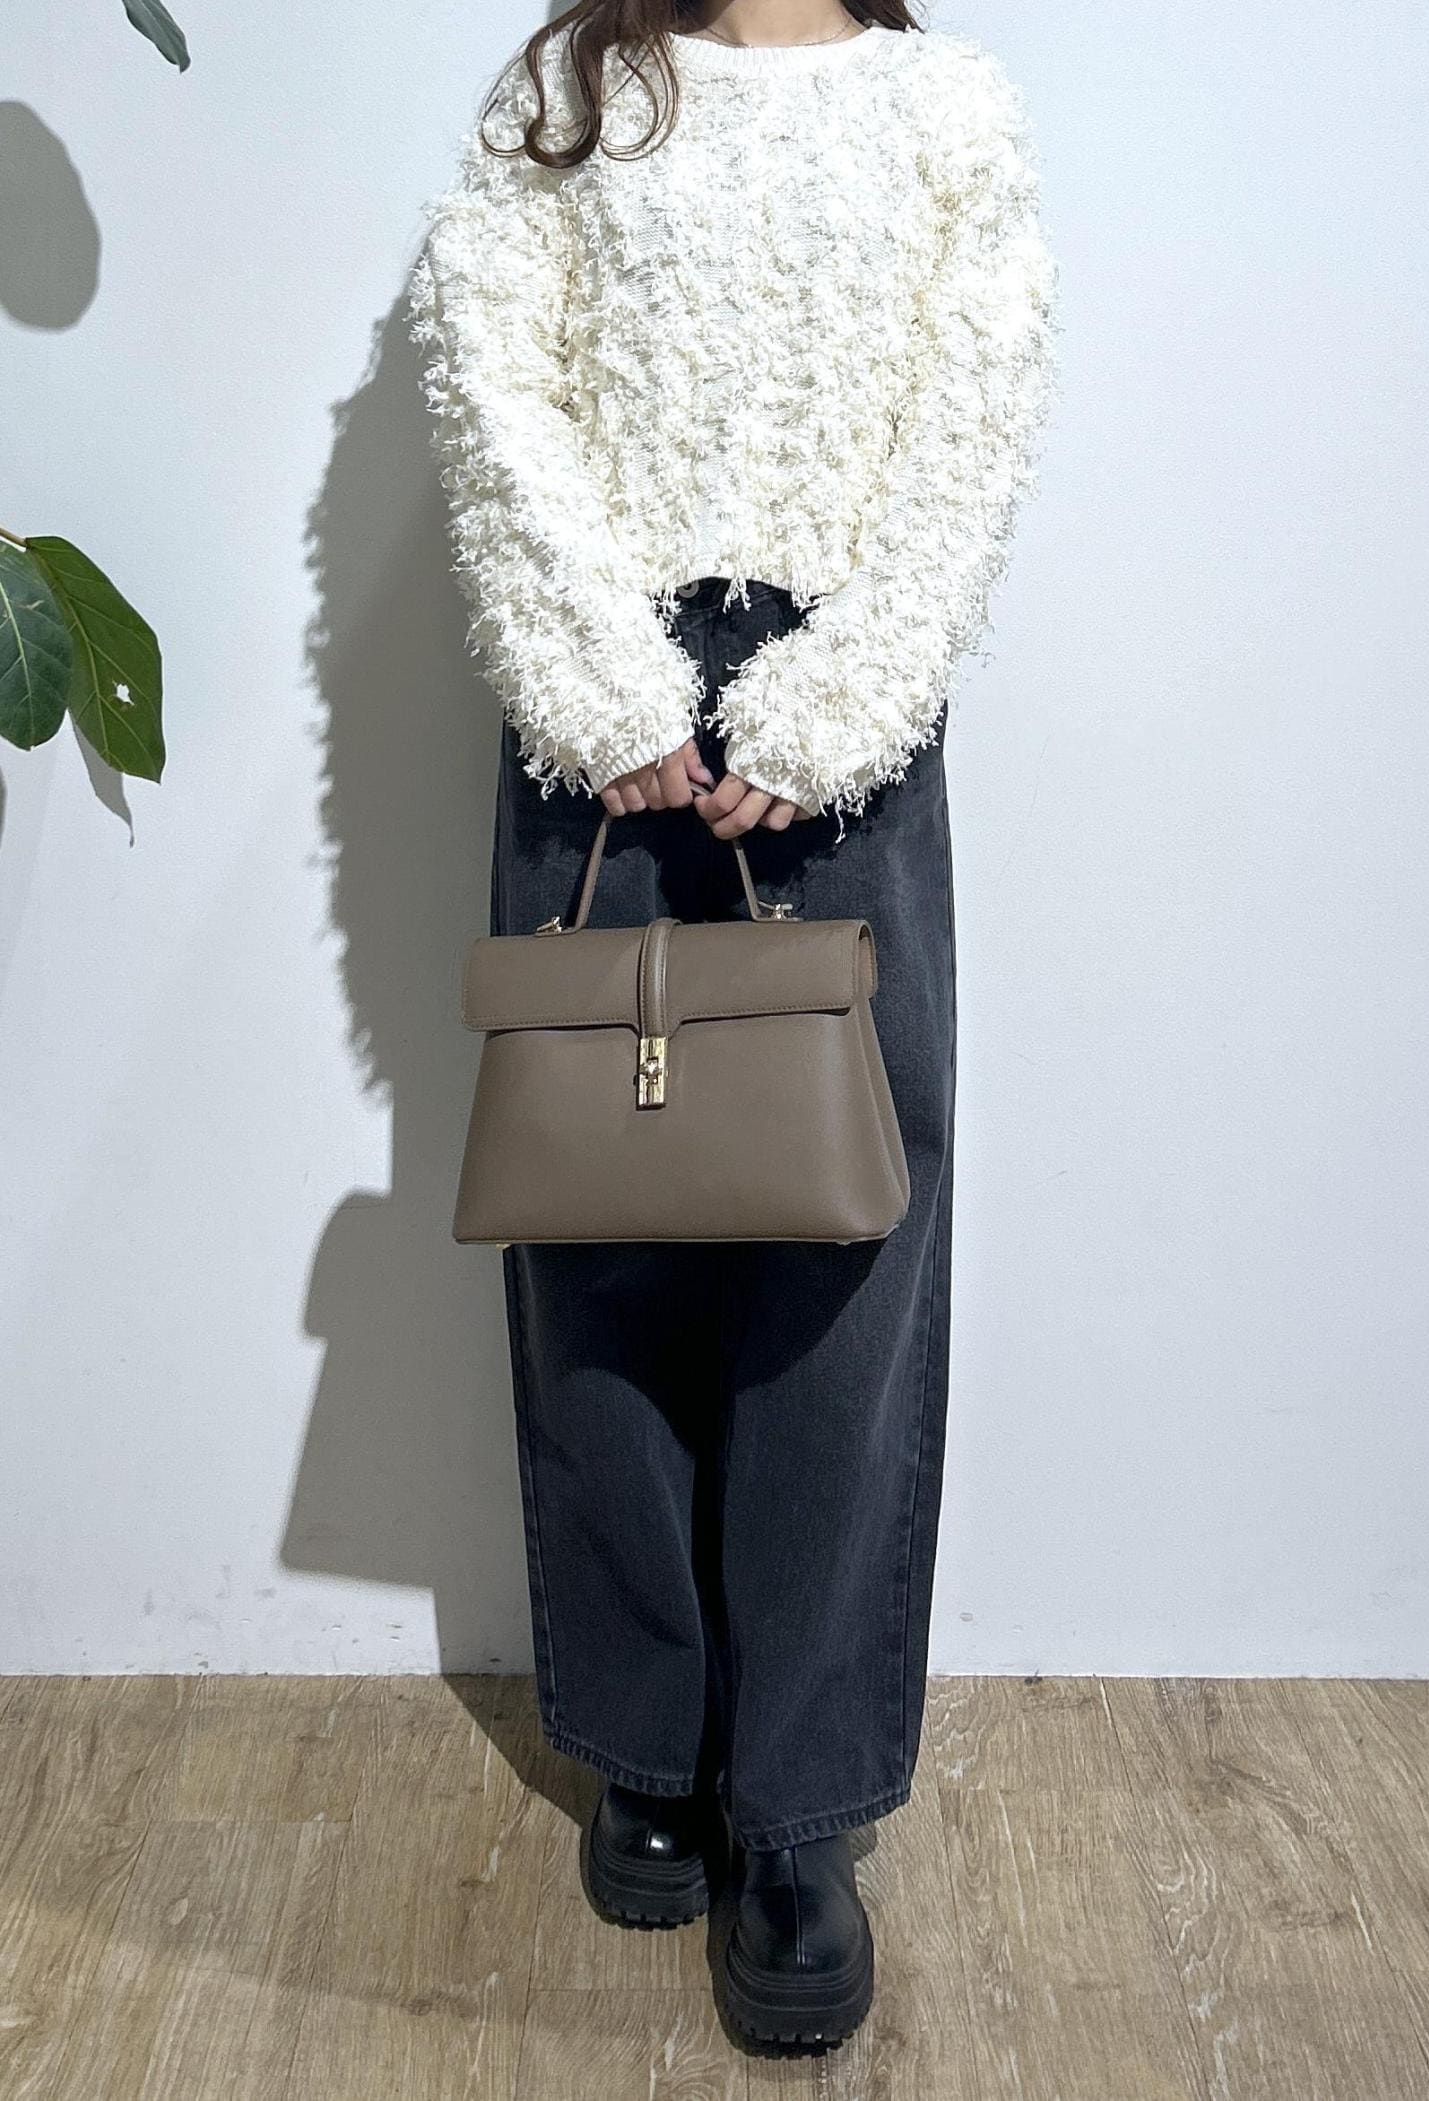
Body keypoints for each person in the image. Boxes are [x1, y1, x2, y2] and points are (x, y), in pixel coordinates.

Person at [410, 0, 1058, 2048]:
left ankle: (802, 1803)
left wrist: (841, 698)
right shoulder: (569, 84)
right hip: (593, 713)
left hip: (846, 719)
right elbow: (489, 373)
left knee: (838, 1260)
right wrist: (599, 678)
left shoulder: (945, 108)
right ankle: (644, 1744)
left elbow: (973, 419)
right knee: (599, 1235)